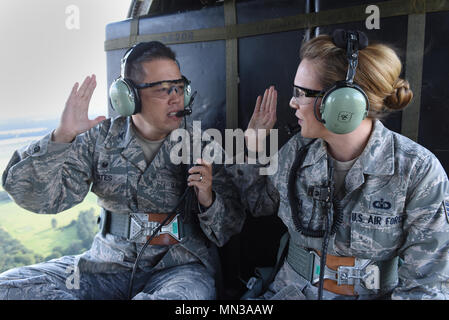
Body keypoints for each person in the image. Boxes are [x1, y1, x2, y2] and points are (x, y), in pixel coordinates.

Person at [0, 41, 244, 300]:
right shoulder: (99, 141)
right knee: (10, 287)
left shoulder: (201, 146)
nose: (177, 98)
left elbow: (228, 228)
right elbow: (37, 198)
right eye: (163, 90)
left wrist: (207, 198)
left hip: (179, 269)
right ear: (129, 98)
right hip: (105, 265)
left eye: (180, 87)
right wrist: (61, 137)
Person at [230, 30, 449, 299]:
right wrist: (251, 148)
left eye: (302, 93)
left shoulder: (417, 171)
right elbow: (259, 204)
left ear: (342, 102)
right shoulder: (297, 152)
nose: (292, 102)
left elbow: (427, 286)